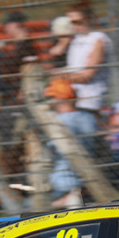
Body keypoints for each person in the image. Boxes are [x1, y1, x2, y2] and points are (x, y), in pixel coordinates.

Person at [62, 0, 114, 154]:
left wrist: (60, 76)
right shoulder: (75, 41)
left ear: (89, 19)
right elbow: (73, 71)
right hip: (72, 103)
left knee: (86, 152)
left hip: (89, 106)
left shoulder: (98, 40)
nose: (74, 26)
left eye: (78, 22)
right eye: (72, 22)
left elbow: (87, 75)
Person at [44, 78, 86, 208]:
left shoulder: (57, 122)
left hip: (62, 181)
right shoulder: (87, 117)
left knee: (31, 206)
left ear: (59, 98)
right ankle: (72, 198)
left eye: (53, 96)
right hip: (85, 179)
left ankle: (66, 201)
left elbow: (48, 152)